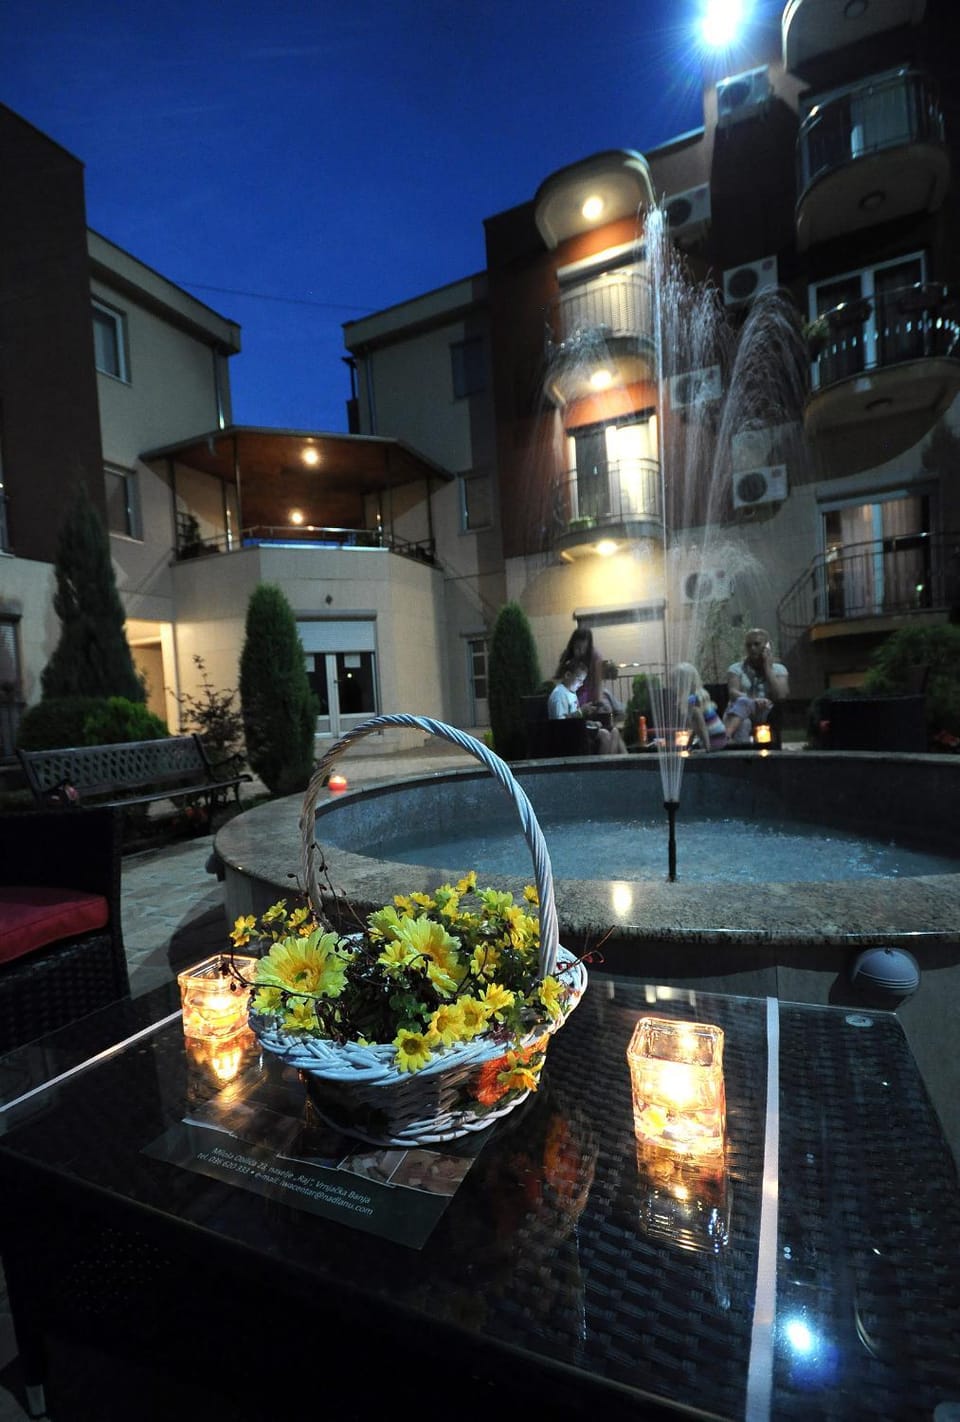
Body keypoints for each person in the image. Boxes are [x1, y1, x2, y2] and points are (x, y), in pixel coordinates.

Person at [549, 657, 627, 755]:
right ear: (568, 675)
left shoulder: (571, 693)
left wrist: (591, 723)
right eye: (579, 680)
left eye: (583, 681)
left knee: (615, 732)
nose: (581, 684)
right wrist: (581, 711)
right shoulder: (559, 694)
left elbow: (575, 718)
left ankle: (615, 764)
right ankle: (604, 766)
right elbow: (560, 723)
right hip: (568, 735)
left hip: (576, 730)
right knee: (605, 735)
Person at [724, 628, 789, 744]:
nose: (752, 648)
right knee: (744, 719)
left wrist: (768, 668)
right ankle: (739, 752)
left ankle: (725, 737)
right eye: (748, 645)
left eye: (757, 644)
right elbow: (733, 692)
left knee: (747, 706)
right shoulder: (736, 668)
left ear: (767, 646)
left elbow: (781, 695)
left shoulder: (779, 669)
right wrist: (753, 701)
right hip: (740, 712)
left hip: (765, 712)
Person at [674, 663, 727, 751]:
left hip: (713, 741)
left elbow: (702, 726)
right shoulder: (698, 695)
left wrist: (707, 748)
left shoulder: (692, 702)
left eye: (674, 682)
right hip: (720, 738)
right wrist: (687, 746)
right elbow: (694, 728)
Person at [554, 628, 604, 712]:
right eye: (577, 648)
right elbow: (560, 675)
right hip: (572, 692)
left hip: (589, 693)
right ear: (573, 644)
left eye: (583, 649)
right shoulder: (567, 655)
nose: (580, 652)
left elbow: (598, 681)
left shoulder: (595, 656)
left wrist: (598, 702)